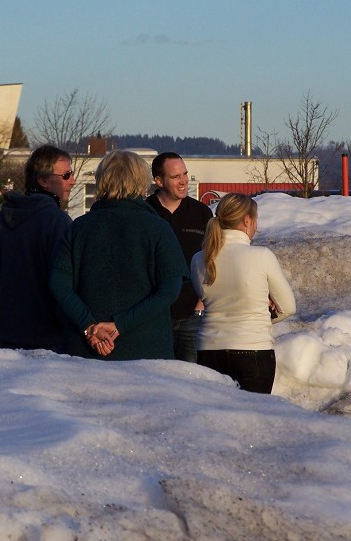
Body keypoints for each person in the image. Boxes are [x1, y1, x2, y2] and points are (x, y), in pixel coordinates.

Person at [49, 150, 188, 360]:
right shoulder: (158, 229)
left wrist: (89, 327)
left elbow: (58, 285)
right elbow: (169, 291)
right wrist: (121, 325)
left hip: (84, 353)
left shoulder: (78, 229)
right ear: (141, 181)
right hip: (147, 354)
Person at [190, 193, 296, 394]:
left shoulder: (198, 259)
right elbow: (288, 307)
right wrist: (260, 314)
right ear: (247, 221)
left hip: (208, 349)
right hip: (252, 350)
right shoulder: (261, 256)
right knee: (252, 420)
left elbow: (212, 300)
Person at [0, 145, 74, 350]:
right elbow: (66, 284)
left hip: (6, 341)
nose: (72, 180)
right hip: (50, 344)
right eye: (66, 175)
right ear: (43, 180)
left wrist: (4, 318)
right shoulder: (57, 222)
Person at [146, 152, 213, 363]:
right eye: (176, 177)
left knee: (192, 380)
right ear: (159, 180)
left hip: (192, 315)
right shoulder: (145, 213)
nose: (183, 181)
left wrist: (202, 302)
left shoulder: (202, 213)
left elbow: (213, 257)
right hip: (154, 316)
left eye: (185, 174)